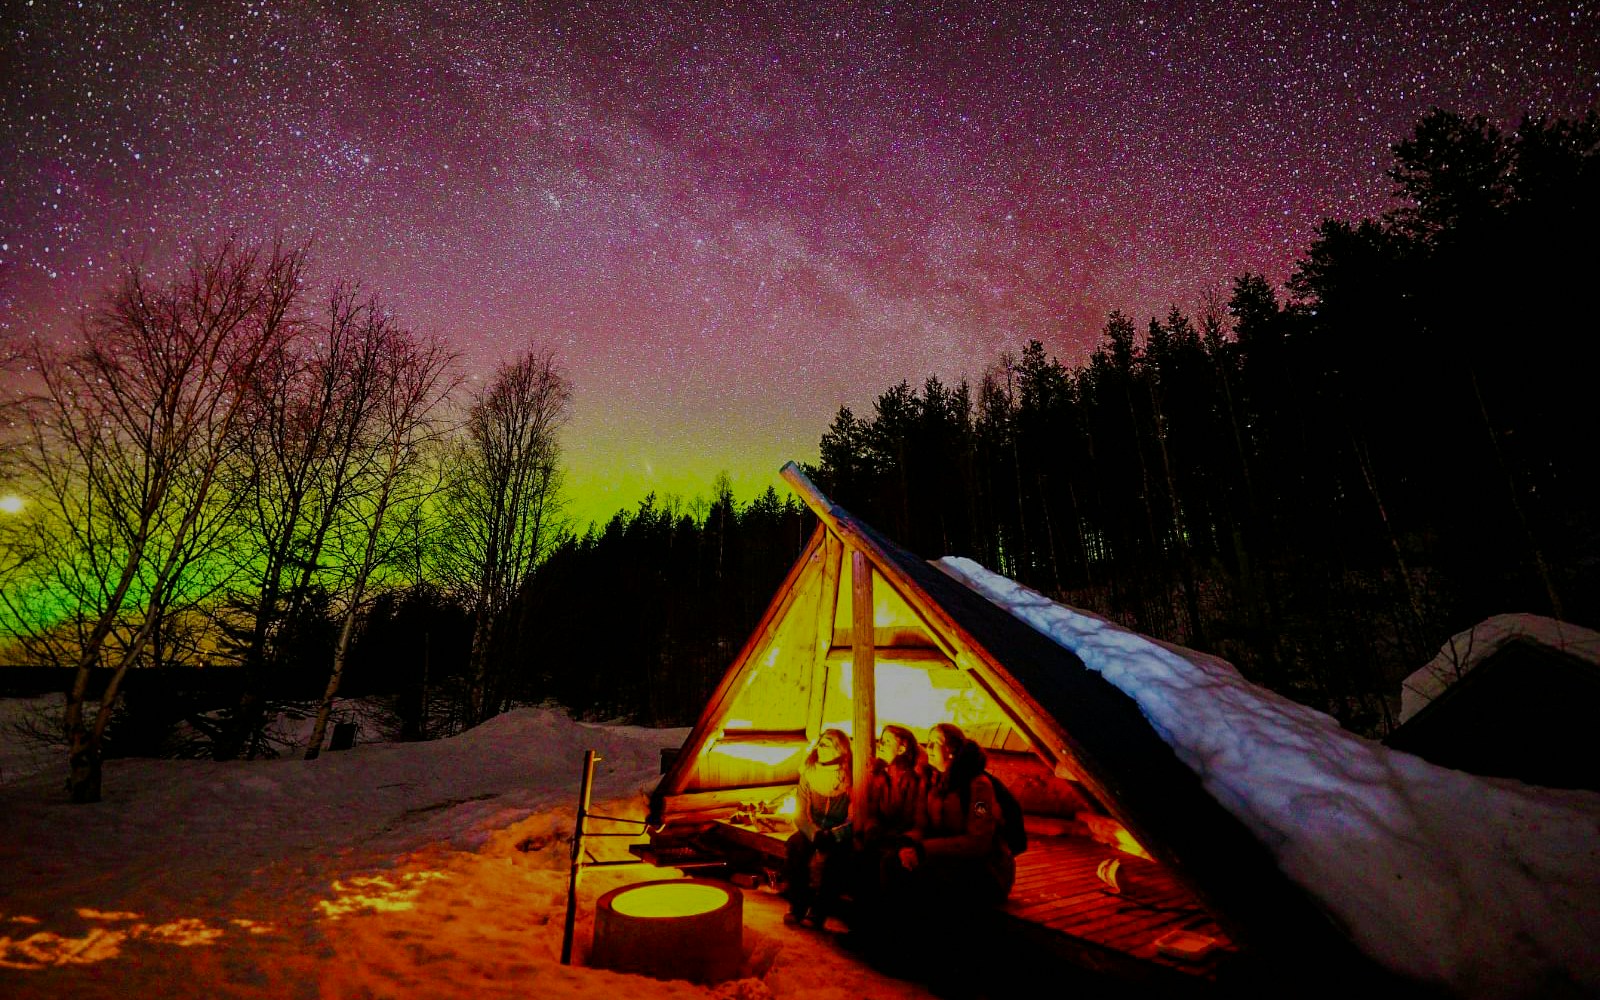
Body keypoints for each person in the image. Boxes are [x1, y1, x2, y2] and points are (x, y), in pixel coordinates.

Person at [844, 724, 928, 953]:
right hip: (884, 836)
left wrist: (893, 838)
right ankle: (861, 931)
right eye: (882, 739)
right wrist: (872, 829)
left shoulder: (913, 779)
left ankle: (886, 940)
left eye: (887, 741)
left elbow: (914, 819)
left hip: (904, 839)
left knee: (885, 865)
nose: (881, 744)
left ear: (902, 749)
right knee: (859, 857)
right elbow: (873, 811)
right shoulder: (883, 775)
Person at [783, 727, 853, 928]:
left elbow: (855, 817)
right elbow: (801, 813)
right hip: (812, 829)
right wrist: (813, 834)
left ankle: (819, 910)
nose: (820, 746)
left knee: (835, 858)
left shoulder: (851, 777)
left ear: (840, 750)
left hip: (837, 832)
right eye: (820, 742)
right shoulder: (809, 773)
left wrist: (835, 835)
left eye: (826, 743)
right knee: (795, 845)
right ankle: (797, 905)